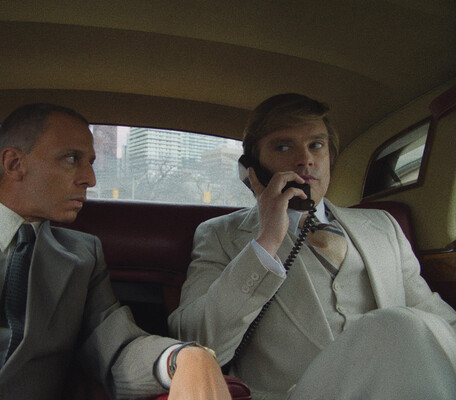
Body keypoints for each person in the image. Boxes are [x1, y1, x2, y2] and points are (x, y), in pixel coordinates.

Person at [0, 103, 231, 400]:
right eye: (71, 158)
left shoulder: (83, 256)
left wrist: (183, 357)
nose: (90, 178)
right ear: (14, 164)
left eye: (90, 162)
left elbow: (117, 347)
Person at [168, 93, 456, 399]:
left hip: (396, 387)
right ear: (251, 168)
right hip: (296, 393)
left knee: (410, 326)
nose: (305, 159)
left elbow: (439, 324)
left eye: (316, 145)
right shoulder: (220, 235)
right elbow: (196, 341)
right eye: (283, 147)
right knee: (399, 325)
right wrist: (266, 243)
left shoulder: (383, 226)